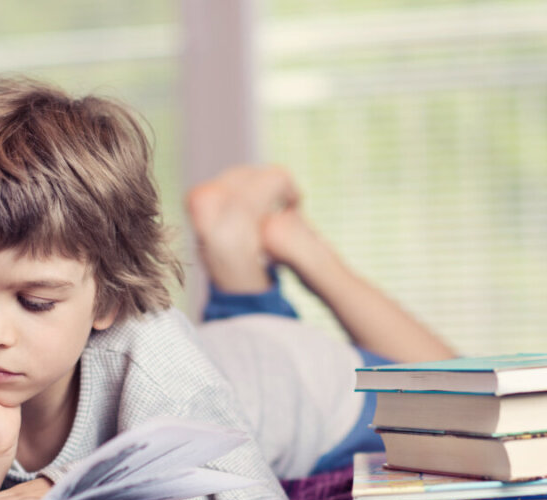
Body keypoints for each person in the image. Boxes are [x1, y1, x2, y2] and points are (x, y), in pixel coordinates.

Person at [0, 77, 292, 500]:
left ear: (108, 300)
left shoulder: (152, 355)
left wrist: (70, 489)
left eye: (35, 302)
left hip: (287, 372)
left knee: (339, 347)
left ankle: (279, 239)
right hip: (219, 345)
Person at [185, 166, 455, 478]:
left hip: (268, 374)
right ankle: (280, 252)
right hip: (249, 359)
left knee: (475, 408)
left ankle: (269, 254)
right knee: (471, 406)